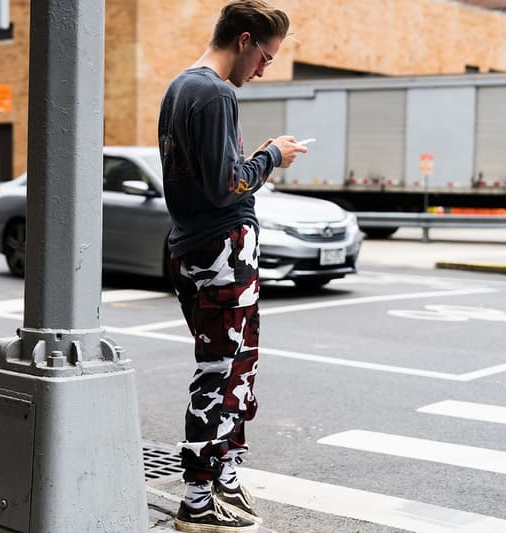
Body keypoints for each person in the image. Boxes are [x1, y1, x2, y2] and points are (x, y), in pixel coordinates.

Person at [157, 1, 306, 531]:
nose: (264, 69)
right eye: (265, 56)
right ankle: (198, 500)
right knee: (222, 373)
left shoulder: (180, 85)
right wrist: (271, 155)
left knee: (233, 366)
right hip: (221, 248)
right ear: (244, 40)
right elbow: (228, 184)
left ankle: (222, 479)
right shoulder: (216, 92)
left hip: (192, 245)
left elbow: (200, 176)